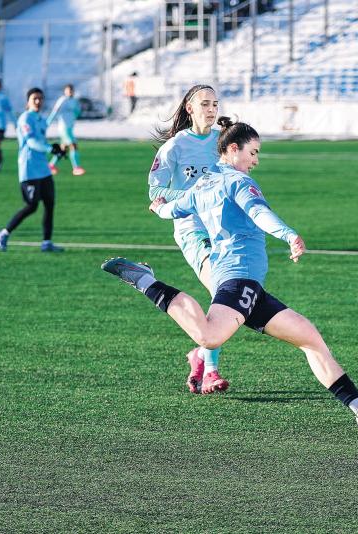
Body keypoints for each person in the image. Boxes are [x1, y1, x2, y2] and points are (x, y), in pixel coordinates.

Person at [101, 117, 358, 419]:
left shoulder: (204, 184)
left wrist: (159, 207)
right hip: (238, 277)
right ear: (232, 149)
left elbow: (174, 209)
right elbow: (259, 213)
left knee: (310, 338)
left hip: (248, 286)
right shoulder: (238, 182)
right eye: (252, 152)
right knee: (210, 337)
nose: (255, 160)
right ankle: (146, 281)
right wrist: (289, 234)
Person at [149, 84, 226, 395]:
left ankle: (200, 354)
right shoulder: (175, 147)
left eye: (215, 104)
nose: (211, 109)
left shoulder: (223, 141)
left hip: (222, 229)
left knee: (229, 296)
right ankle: (211, 371)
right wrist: (192, 196)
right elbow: (155, 191)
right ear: (190, 108)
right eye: (205, 104)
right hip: (192, 228)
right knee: (221, 290)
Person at [0, 88, 67, 253]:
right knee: (32, 206)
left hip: (44, 169)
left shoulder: (40, 119)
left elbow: (41, 141)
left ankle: (47, 242)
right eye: (34, 98)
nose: (38, 101)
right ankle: (4, 233)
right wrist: (50, 149)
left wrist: (56, 149)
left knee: (50, 204)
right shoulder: (25, 118)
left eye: (40, 98)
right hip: (29, 170)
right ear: (28, 101)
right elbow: (32, 142)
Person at [46, 84, 85, 176]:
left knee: (63, 149)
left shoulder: (74, 101)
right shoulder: (62, 100)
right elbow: (54, 111)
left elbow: (77, 112)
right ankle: (76, 168)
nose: (70, 92)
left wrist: (77, 113)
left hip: (69, 128)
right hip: (63, 128)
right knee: (73, 145)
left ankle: (51, 165)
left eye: (71, 90)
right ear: (65, 91)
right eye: (68, 90)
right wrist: (47, 123)